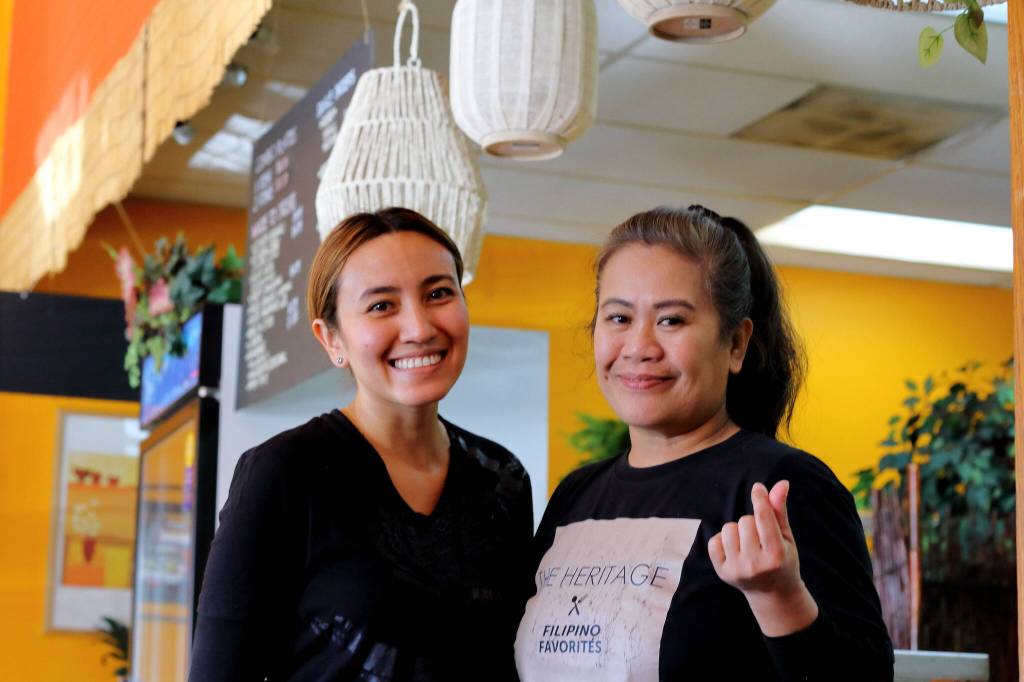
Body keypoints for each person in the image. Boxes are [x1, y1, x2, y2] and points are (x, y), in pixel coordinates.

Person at [514, 206, 893, 681]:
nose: (639, 346)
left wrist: (780, 599)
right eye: (618, 318)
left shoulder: (781, 487)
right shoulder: (576, 496)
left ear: (735, 344)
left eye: (671, 321)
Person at [190, 208, 533, 681]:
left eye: (438, 293)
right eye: (381, 306)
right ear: (332, 339)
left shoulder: (501, 477)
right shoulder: (286, 472)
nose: (419, 327)